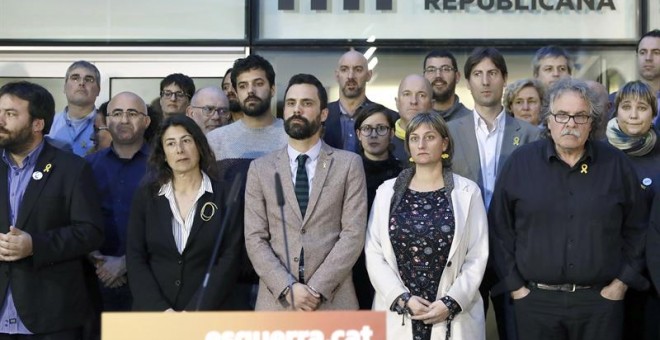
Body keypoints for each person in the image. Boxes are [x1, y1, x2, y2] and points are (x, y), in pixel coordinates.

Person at [490, 78, 647, 340]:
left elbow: (638, 228)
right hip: (536, 303)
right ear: (548, 120)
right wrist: (516, 288)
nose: (570, 124)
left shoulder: (616, 165)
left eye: (580, 116)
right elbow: (499, 229)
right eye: (562, 115)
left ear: (592, 122)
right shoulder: (520, 163)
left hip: (600, 304)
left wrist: (621, 284)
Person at [245, 73, 367, 311]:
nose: (297, 109)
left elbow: (353, 235)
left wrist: (316, 289)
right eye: (291, 103)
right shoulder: (260, 169)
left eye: (306, 103)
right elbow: (255, 238)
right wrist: (287, 288)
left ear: (323, 114)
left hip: (333, 301)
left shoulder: (348, 165)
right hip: (277, 303)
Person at [366, 112, 488, 340]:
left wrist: (451, 302)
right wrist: (401, 298)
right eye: (414, 138)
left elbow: (478, 256)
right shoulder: (386, 192)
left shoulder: (468, 192)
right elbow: (374, 252)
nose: (421, 144)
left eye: (429, 137)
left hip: (452, 315)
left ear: (444, 143)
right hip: (399, 314)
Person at [448, 47, 540, 340]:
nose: (485, 81)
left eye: (492, 73)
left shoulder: (530, 134)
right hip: (464, 250)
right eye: (478, 74)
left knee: (515, 330)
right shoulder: (448, 132)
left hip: (515, 250)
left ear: (504, 79)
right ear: (467, 81)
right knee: (463, 331)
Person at [0, 81, 104, 338]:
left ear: (37, 124)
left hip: (50, 316)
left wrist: (35, 244)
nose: (0, 120)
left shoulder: (71, 169)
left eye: (10, 114)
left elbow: (91, 232)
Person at [126, 115, 242, 311]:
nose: (179, 150)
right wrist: (161, 311)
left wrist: (194, 310)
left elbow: (230, 259)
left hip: (208, 313)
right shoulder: (147, 196)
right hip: (154, 314)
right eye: (170, 144)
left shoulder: (226, 195)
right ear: (163, 153)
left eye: (186, 141)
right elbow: (135, 256)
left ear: (199, 145)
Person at [86, 91, 152, 312]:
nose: (124, 120)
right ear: (106, 121)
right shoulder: (86, 167)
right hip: (95, 279)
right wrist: (97, 260)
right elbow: (75, 217)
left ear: (146, 121)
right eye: (117, 113)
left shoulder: (164, 167)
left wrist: (125, 263)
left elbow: (168, 225)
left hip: (149, 281)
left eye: (132, 113)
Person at [606, 80, 660, 340]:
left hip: (652, 279)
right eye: (626, 107)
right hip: (607, 274)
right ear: (616, 111)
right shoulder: (599, 154)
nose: (634, 114)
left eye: (642, 107)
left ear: (654, 112)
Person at [352, 103, 403, 310]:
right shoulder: (346, 173)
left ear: (391, 134)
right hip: (354, 263)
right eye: (367, 129)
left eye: (381, 128)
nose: (373, 134)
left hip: (393, 264)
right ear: (358, 134)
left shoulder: (405, 175)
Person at [324, 49, 397, 152]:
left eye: (358, 70)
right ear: (337, 75)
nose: (350, 76)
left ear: (369, 75)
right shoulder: (320, 117)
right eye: (344, 69)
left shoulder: (390, 118)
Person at [48, 60, 101, 156]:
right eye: (75, 78)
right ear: (64, 87)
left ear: (98, 90)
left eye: (89, 79)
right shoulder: (49, 124)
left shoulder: (106, 126)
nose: (81, 83)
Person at [391, 74, 433, 167]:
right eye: (407, 94)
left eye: (421, 95)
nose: (413, 101)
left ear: (432, 104)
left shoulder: (440, 142)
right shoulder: (383, 140)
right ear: (397, 102)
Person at [422, 50, 472, 122]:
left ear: (457, 76)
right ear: (423, 77)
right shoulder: (415, 120)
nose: (438, 75)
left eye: (445, 69)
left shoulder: (471, 121)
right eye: (431, 70)